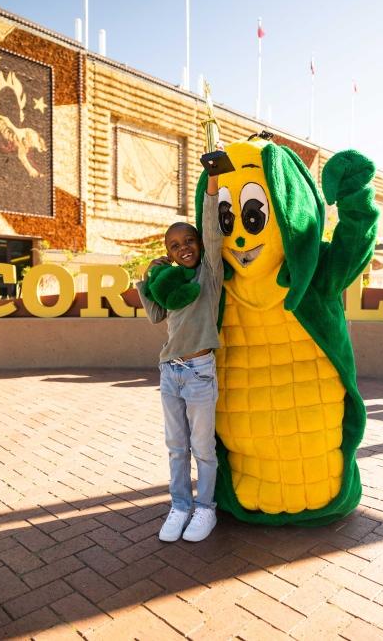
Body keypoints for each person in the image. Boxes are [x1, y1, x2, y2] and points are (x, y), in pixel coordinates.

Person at [137, 173, 223, 542]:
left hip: (200, 371)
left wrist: (213, 184)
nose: (183, 247)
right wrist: (146, 279)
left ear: (199, 245)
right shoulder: (169, 283)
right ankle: (179, 506)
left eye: (189, 241)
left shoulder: (209, 274)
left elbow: (212, 228)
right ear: (168, 251)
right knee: (176, 448)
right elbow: (156, 315)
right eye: (174, 245)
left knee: (203, 448)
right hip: (169, 372)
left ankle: (205, 509)